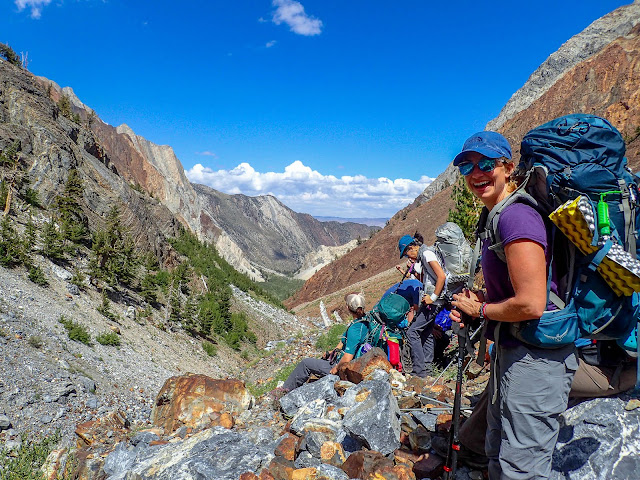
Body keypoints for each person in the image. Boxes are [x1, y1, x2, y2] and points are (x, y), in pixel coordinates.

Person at [449, 131, 578, 479]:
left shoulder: (516, 217)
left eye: (487, 163)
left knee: (522, 467)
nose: (477, 173)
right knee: (499, 447)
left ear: (507, 167)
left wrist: (482, 311)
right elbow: (516, 288)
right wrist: (482, 299)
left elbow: (531, 303)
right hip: (516, 349)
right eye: (467, 166)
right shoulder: (496, 215)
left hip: (538, 357)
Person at [431, 340, 637, 469]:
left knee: (515, 362)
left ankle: (474, 446)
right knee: (510, 356)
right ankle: (481, 438)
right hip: (607, 365)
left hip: (612, 372)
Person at [279, 292, 369, 392]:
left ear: (348, 308)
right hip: (357, 362)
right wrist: (332, 352)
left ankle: (284, 391)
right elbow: (344, 342)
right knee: (319, 361)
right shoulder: (365, 320)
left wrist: (335, 368)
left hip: (344, 367)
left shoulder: (355, 329)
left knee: (305, 363)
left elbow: (347, 357)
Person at [397, 233, 447, 377]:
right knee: (426, 332)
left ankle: (419, 371)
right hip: (433, 300)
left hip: (433, 301)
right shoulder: (425, 255)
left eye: (407, 254)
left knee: (412, 332)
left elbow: (441, 276)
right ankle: (427, 370)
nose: (409, 258)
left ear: (411, 248)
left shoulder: (426, 254)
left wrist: (433, 297)